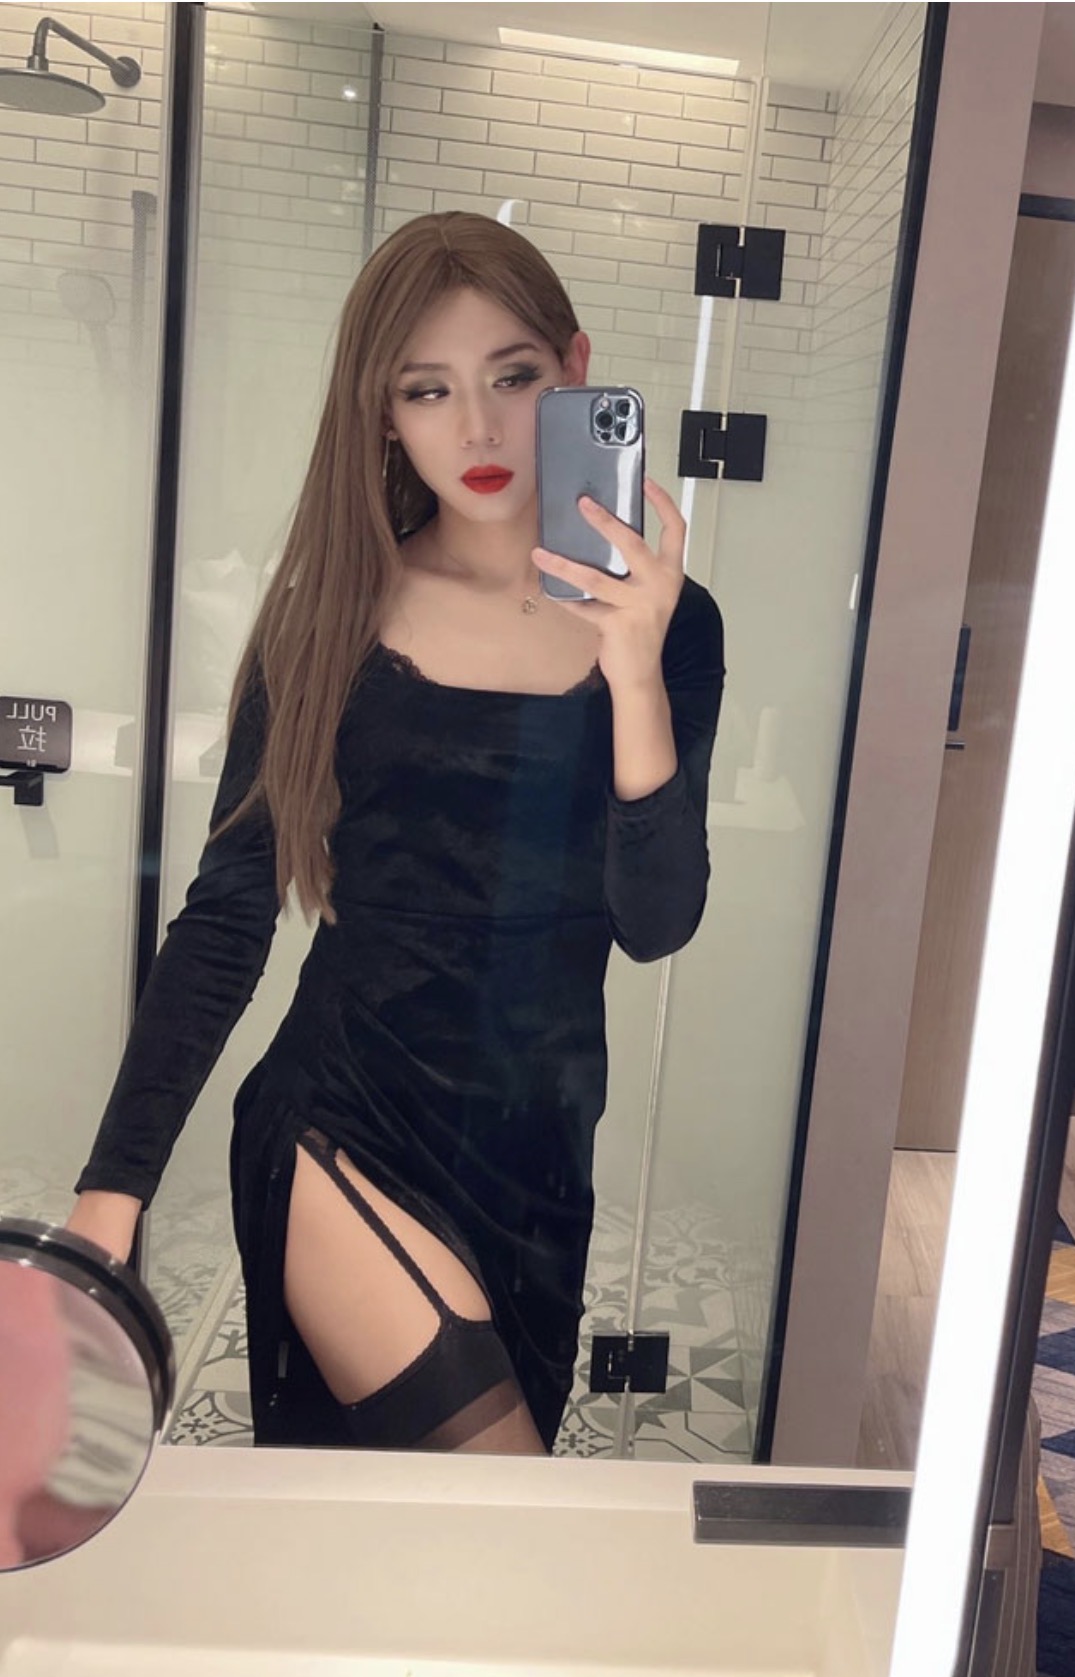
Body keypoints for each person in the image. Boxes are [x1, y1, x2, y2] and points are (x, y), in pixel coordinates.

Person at [66, 211, 725, 1456]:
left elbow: (656, 923)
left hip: (540, 1157)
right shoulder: (330, 618)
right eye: (428, 389)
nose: (475, 430)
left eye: (511, 378)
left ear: (575, 372)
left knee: (400, 1530)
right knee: (497, 1496)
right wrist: (114, 1195)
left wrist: (632, 668)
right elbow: (227, 918)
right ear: (383, 412)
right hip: (345, 1120)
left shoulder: (674, 627)